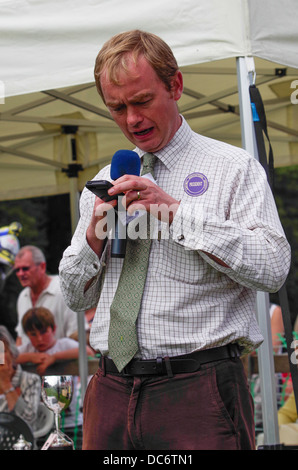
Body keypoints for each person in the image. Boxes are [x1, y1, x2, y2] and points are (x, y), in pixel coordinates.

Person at [59, 30, 291, 450]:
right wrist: (94, 234)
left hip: (197, 389)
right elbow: (75, 297)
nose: (131, 119)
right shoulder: (102, 182)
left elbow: (272, 267)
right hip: (109, 388)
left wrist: (177, 213)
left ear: (176, 86)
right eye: (117, 107)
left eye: (142, 101)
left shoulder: (233, 167)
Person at [14, 245, 82, 347]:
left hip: (65, 361)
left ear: (42, 267)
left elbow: (78, 335)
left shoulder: (63, 290)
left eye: (25, 268)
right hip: (30, 361)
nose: (20, 274)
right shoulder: (22, 296)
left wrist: (54, 356)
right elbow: (21, 338)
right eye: (17, 270)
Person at [17, 307, 95, 375]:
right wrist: (29, 357)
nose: (39, 339)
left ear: (54, 329)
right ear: (27, 335)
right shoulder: (27, 349)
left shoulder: (64, 344)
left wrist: (54, 357)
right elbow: (8, 358)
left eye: (43, 332)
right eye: (33, 334)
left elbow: (88, 352)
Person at [0, 325, 40, 430]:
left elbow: (28, 420)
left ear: (12, 353)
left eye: (2, 351)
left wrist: (6, 384)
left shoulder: (30, 380)